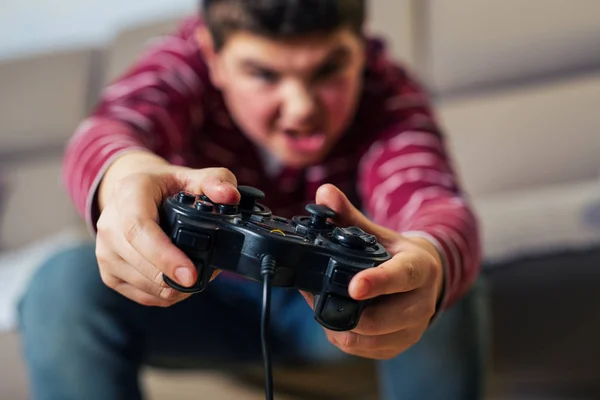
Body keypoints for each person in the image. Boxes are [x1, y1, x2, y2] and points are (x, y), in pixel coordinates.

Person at [17, 1, 489, 399]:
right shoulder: (179, 67)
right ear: (212, 55)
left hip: (337, 306)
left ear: (362, 49)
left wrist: (429, 262)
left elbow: (432, 200)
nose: (301, 109)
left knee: (430, 277)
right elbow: (105, 131)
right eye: (264, 73)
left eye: (329, 70)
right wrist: (126, 177)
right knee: (60, 287)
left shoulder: (388, 91)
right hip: (198, 296)